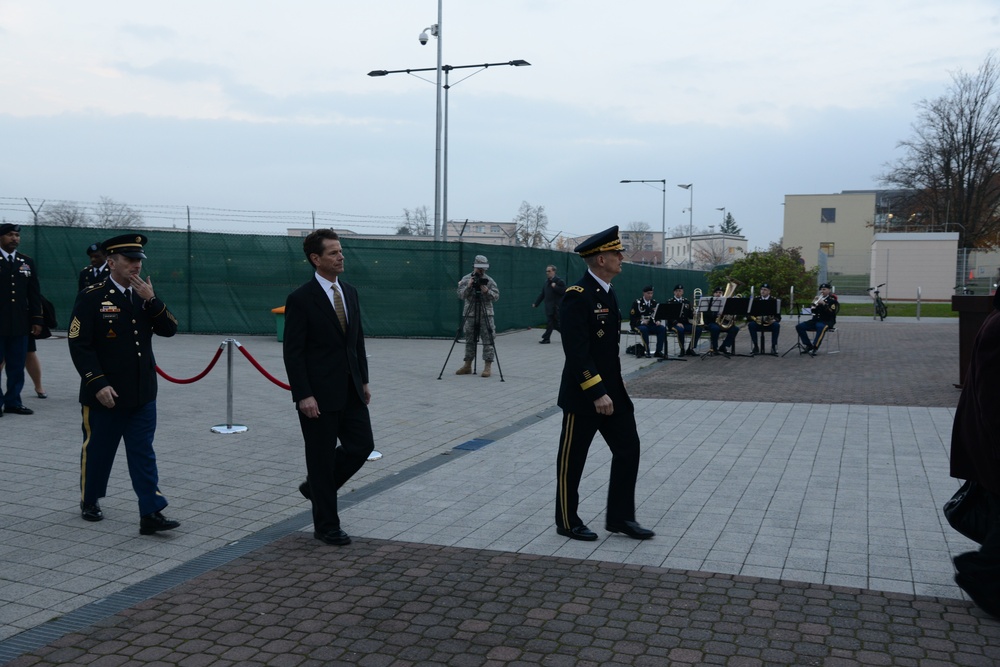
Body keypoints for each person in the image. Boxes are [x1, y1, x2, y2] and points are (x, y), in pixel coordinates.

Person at [68, 233, 181, 534]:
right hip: (106, 394)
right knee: (99, 451)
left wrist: (152, 301)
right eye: (129, 260)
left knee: (143, 451)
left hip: (142, 392)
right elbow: (80, 344)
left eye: (139, 260)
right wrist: (97, 383)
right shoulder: (92, 295)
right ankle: (90, 499)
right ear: (111, 262)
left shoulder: (143, 294)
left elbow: (170, 329)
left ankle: (151, 512)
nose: (136, 266)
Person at [554, 225, 654, 542]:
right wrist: (596, 391)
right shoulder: (577, 296)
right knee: (572, 460)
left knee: (629, 449)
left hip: (614, 395)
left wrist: (611, 389)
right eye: (616, 253)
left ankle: (621, 517)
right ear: (600, 259)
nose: (621, 257)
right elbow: (577, 352)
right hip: (585, 396)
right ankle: (567, 520)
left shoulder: (608, 293)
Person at [283, 229, 375, 546]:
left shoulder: (349, 292)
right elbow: (293, 353)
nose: (341, 256)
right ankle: (326, 525)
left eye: (340, 251)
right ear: (315, 259)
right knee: (320, 460)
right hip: (318, 395)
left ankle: (316, 489)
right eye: (333, 252)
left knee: (361, 446)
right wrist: (303, 395)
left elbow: (356, 341)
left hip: (350, 388)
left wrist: (363, 379)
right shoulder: (300, 299)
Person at [950, 287, 1000, 618]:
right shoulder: (999, 327)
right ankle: (981, 572)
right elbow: (992, 395)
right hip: (991, 440)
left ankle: (983, 570)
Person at [0, 223, 43, 417]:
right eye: (10, 235)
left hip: (19, 324)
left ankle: (13, 402)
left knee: (17, 366)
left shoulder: (26, 262)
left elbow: (34, 293)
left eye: (17, 235)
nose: (15, 238)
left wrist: (36, 319)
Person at [455, 255, 500, 377]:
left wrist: (487, 291)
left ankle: (487, 367)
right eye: (479, 268)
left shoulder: (489, 281)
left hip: (486, 314)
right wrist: (469, 286)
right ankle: (467, 365)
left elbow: (496, 296)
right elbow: (460, 295)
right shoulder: (465, 279)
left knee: (488, 340)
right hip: (470, 314)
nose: (481, 271)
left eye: (483, 268)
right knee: (469, 340)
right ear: (474, 266)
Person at [795, 282, 839, 355]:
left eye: (824, 289)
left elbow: (831, 313)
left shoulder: (832, 300)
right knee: (799, 326)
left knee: (820, 326)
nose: (822, 291)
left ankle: (815, 347)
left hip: (827, 321)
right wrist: (813, 303)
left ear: (829, 290)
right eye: (821, 290)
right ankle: (808, 345)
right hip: (816, 320)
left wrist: (824, 304)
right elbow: (811, 311)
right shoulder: (818, 299)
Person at [696, 286, 740, 356]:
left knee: (735, 329)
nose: (718, 294)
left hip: (721, 323)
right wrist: (716, 315)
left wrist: (729, 316)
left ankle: (723, 346)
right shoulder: (709, 302)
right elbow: (705, 314)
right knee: (715, 328)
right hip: (711, 323)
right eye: (716, 292)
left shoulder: (725, 302)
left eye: (720, 292)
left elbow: (729, 315)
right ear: (714, 294)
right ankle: (714, 348)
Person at [628, 285, 666, 359]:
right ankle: (646, 350)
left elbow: (658, 315)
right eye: (648, 293)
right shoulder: (637, 303)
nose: (650, 295)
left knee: (662, 328)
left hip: (651, 325)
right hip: (638, 325)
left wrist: (658, 321)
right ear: (644, 293)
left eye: (651, 293)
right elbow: (632, 317)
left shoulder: (654, 303)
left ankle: (658, 351)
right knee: (644, 329)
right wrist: (642, 322)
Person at [532, 264, 565, 344]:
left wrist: (555, 287)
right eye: (546, 271)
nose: (547, 273)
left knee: (551, 323)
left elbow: (564, 291)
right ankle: (569, 335)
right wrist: (536, 304)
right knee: (555, 324)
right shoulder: (546, 282)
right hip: (549, 307)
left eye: (549, 271)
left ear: (554, 271)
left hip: (555, 307)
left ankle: (546, 338)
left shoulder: (559, 281)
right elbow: (542, 294)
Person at [747, 283, 781, 356]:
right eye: (762, 289)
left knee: (776, 326)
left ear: (769, 291)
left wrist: (774, 320)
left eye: (765, 290)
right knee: (751, 325)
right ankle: (755, 346)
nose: (763, 291)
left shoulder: (774, 300)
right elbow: (749, 315)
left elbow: (778, 317)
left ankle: (773, 347)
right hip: (758, 323)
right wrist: (754, 318)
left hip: (769, 323)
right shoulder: (755, 300)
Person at [666, 284, 698, 357]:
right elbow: (669, 316)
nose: (678, 293)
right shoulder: (670, 302)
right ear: (674, 292)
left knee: (697, 329)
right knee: (680, 330)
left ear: (682, 292)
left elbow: (689, 315)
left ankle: (690, 348)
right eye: (676, 291)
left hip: (685, 323)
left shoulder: (686, 301)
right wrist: (676, 323)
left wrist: (694, 313)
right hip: (674, 324)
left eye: (680, 291)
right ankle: (682, 349)